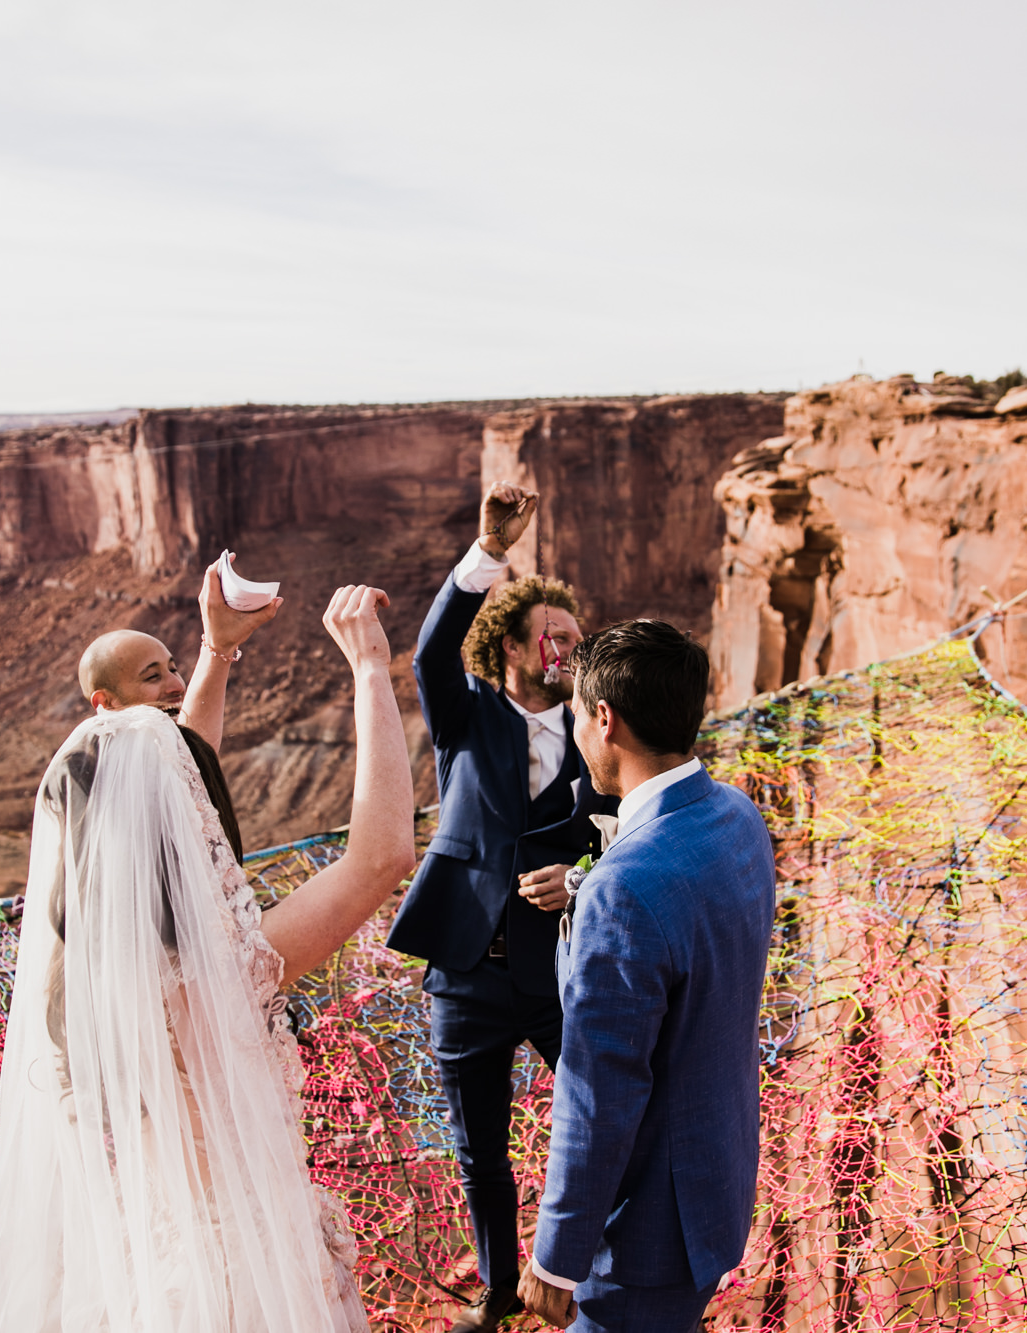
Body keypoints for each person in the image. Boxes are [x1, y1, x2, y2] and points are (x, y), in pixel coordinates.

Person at [0, 583, 416, 1331]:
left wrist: (215, 653)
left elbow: (159, 787)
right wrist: (372, 669)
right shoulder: (235, 968)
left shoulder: (78, 983)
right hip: (260, 1280)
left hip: (160, 1275)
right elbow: (382, 855)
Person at [392, 482, 617, 1332]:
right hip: (467, 975)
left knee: (603, 1126)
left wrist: (582, 877)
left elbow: (620, 830)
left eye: (572, 636)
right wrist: (487, 548)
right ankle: (496, 1295)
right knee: (480, 1154)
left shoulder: (599, 734)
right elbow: (430, 650)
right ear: (513, 645)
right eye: (549, 635)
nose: (564, 646)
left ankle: (596, 1278)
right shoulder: (465, 717)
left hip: (562, 975)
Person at [516, 620, 776, 1333]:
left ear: (605, 719)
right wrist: (586, 886)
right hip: (715, 1181)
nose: (572, 730)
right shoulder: (738, 816)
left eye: (573, 713)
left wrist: (557, 1259)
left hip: (643, 1234)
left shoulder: (625, 889)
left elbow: (599, 1093)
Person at [73, 553, 281, 859]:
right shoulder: (107, 784)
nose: (177, 686)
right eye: (152, 676)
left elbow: (190, 751)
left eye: (173, 669)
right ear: (106, 701)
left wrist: (220, 644)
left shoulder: (157, 761)